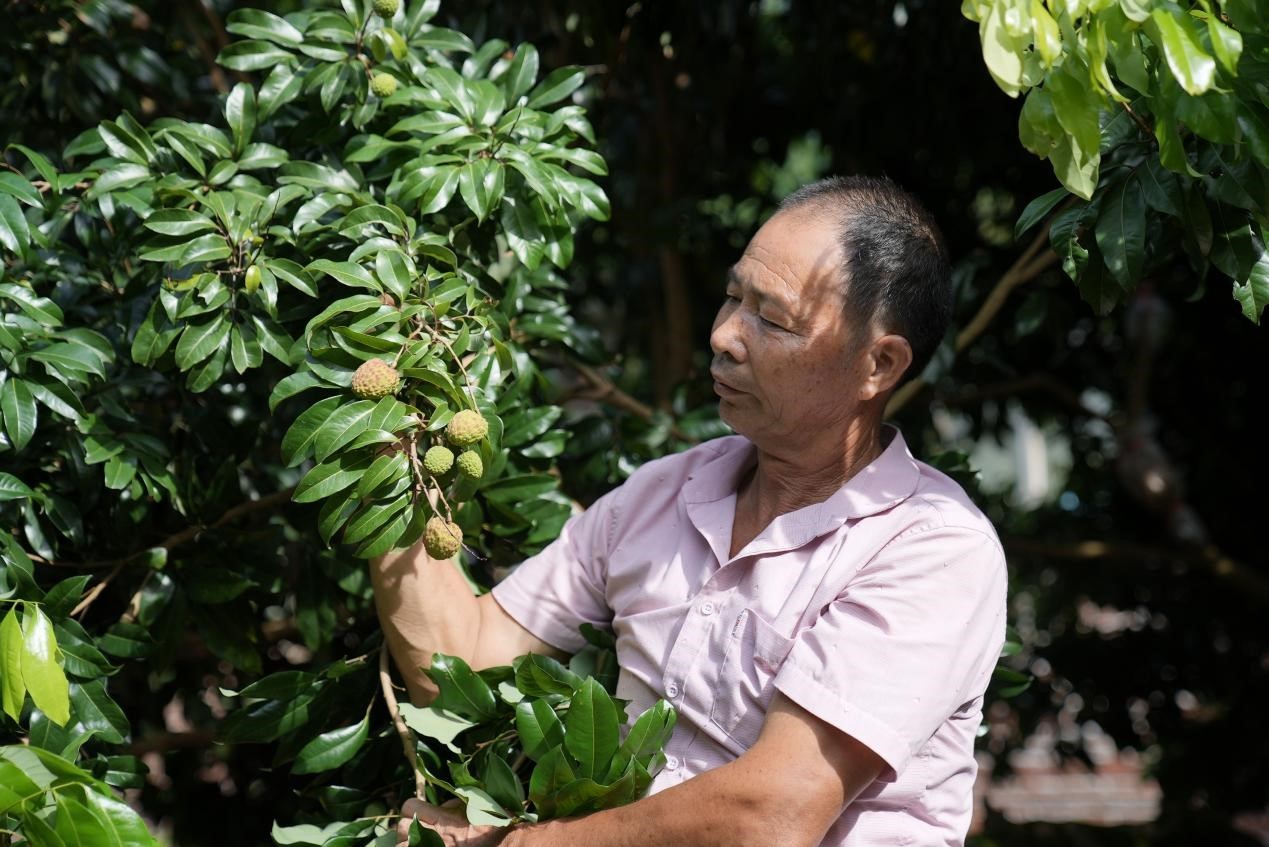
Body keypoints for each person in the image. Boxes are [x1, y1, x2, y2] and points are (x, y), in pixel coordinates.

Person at [371, 175, 1008, 847]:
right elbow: (461, 666)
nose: (725, 335)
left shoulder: (935, 549)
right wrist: (383, 454)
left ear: (878, 364)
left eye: (772, 319)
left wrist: (511, 844)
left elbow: (772, 816)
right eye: (733, 297)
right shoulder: (663, 493)